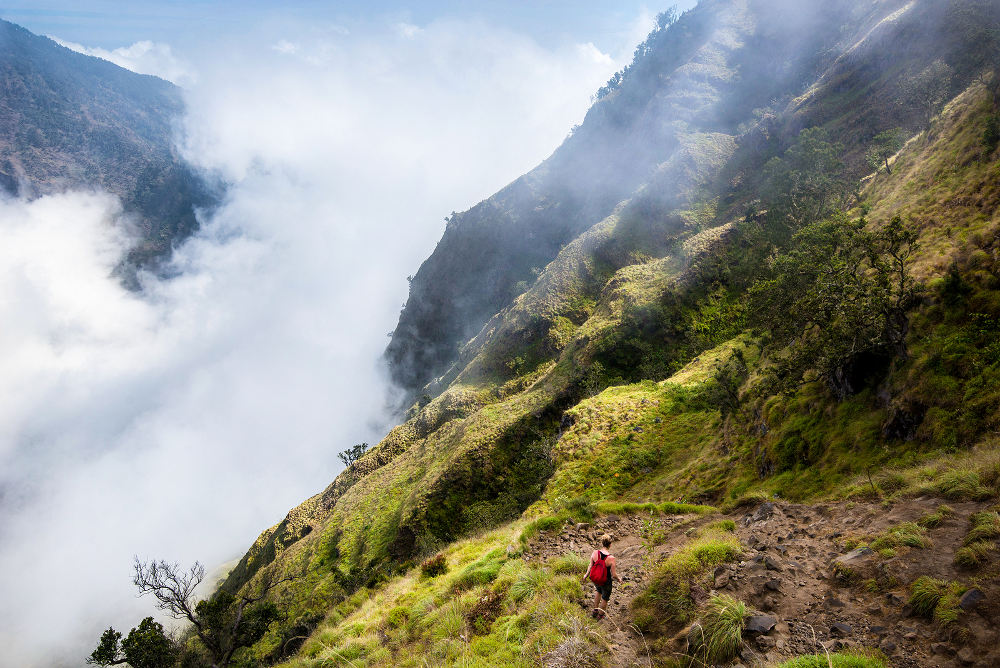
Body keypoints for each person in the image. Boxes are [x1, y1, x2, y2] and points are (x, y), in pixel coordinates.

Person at [582, 534, 621, 619]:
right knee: (605, 598)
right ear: (610, 545)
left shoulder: (595, 553)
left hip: (596, 578)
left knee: (598, 591)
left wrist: (586, 575)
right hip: (605, 580)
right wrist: (619, 579)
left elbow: (590, 565)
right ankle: (600, 615)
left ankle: (595, 610)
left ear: (602, 543)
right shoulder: (611, 558)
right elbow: (614, 575)